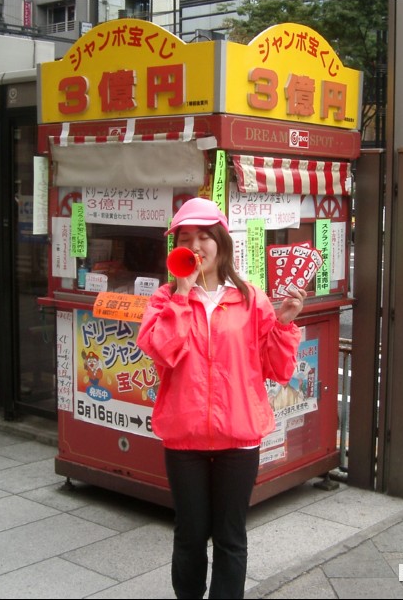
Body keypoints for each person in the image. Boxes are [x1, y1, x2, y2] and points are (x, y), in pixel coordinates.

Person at [136, 197, 305, 599]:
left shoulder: (250, 298)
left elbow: (278, 369)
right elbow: (162, 351)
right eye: (186, 238)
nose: (196, 246)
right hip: (184, 437)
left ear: (221, 243)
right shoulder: (164, 299)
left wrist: (282, 323)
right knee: (190, 535)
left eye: (204, 237)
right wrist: (182, 293)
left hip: (239, 437)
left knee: (231, 537)